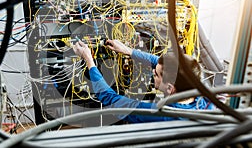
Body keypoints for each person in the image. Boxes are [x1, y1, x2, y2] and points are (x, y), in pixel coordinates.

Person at [73, 39, 213, 123]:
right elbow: (156, 62)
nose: (153, 72)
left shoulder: (161, 115)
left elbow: (110, 98)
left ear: (170, 88)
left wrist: (89, 61)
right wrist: (128, 51)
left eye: (157, 75)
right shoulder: (206, 100)